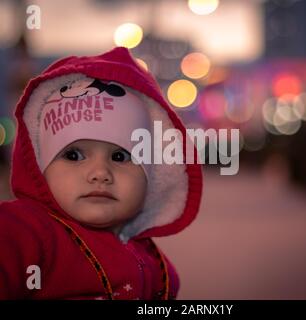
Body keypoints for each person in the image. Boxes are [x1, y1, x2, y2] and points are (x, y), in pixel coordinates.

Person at [0, 47, 202, 299]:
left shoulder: (159, 268)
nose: (99, 173)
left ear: (151, 175)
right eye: (73, 155)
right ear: (40, 170)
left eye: (120, 156)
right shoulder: (23, 233)